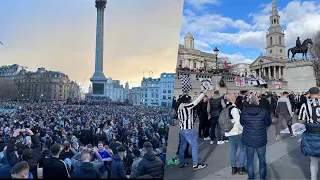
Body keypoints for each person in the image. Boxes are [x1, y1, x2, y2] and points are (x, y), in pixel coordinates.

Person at [240, 96, 272, 180]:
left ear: (250, 102)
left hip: (249, 139)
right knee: (262, 161)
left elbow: (241, 122)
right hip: (260, 139)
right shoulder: (263, 111)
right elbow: (268, 123)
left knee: (250, 161)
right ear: (258, 102)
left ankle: (251, 178)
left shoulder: (244, 111)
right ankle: (262, 178)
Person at [178, 89, 208, 170]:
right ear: (187, 101)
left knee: (182, 146)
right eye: (189, 100)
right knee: (194, 146)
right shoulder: (187, 106)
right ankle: (195, 165)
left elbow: (194, 102)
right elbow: (196, 102)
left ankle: (181, 163)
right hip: (188, 129)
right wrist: (203, 93)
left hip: (181, 129)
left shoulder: (180, 106)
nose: (191, 100)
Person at [298, 87, 320, 180]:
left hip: (312, 134)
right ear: (319, 93)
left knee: (313, 161)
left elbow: (301, 120)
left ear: (309, 94)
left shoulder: (305, 104)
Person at [225, 94, 247, 175]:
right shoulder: (234, 109)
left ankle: (233, 168)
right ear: (233, 99)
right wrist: (244, 130)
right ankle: (241, 168)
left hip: (229, 132)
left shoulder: (225, 108)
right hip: (236, 132)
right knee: (243, 149)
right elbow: (238, 122)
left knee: (233, 150)